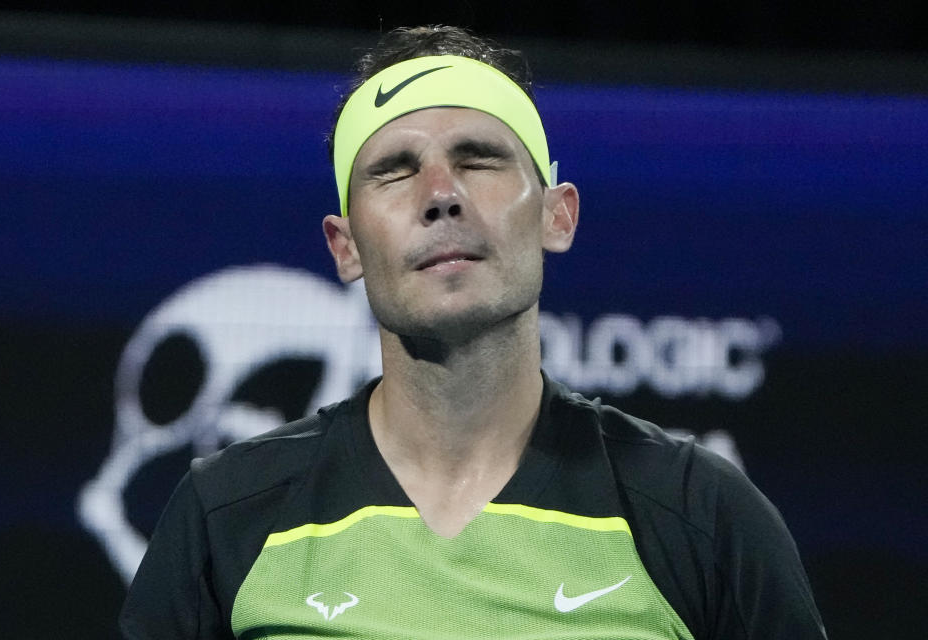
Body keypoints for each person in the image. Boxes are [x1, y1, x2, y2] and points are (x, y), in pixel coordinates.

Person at [120, 25, 827, 639]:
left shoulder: (698, 515)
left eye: (478, 159)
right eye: (394, 172)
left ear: (558, 214)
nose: (439, 195)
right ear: (345, 247)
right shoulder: (228, 514)